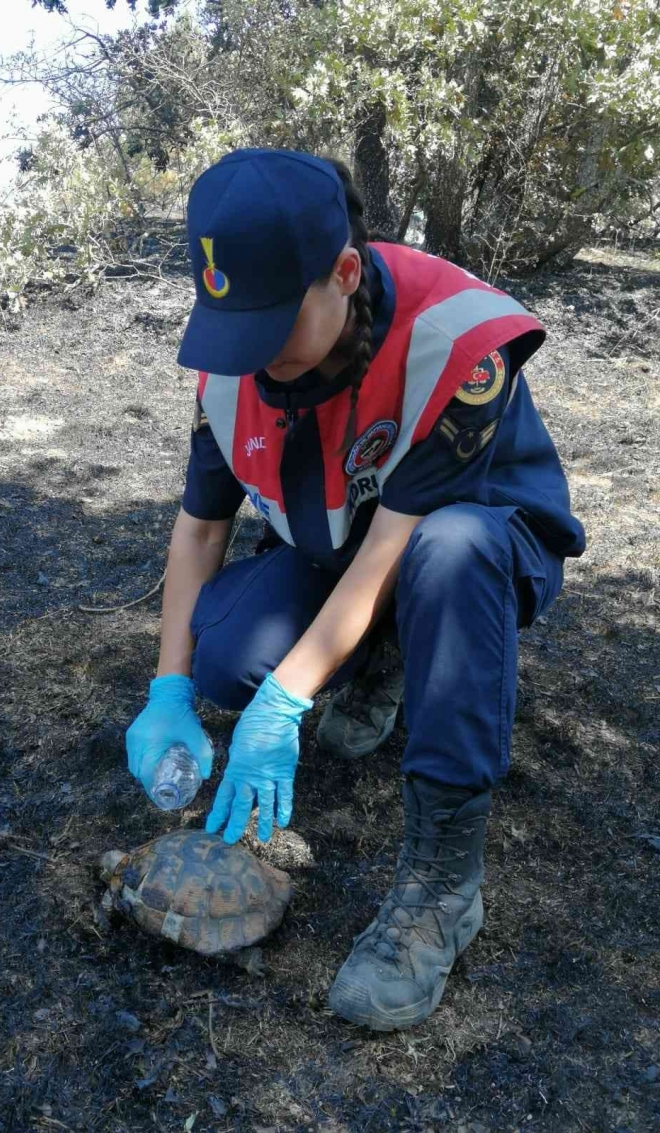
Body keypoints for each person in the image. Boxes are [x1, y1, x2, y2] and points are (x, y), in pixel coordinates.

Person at [125, 148, 586, 1032]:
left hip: (474, 546)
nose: (252, 358)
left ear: (343, 272)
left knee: (449, 554)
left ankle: (445, 884)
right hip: (342, 543)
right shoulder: (236, 357)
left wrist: (283, 705)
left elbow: (395, 546)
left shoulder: (459, 343)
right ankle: (373, 661)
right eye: (236, 325)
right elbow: (202, 525)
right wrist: (168, 687)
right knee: (225, 654)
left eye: (272, 323)